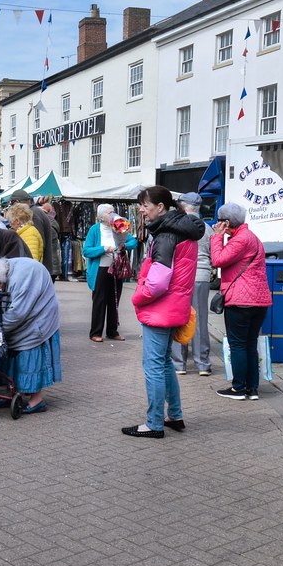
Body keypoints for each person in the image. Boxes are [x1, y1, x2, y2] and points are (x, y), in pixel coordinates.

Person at [124, 185, 205, 439]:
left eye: (145, 205)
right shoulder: (184, 231)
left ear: (160, 207)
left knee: (154, 366)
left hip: (161, 310)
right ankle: (175, 415)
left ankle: (154, 423)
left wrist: (138, 297)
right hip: (175, 307)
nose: (141, 210)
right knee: (165, 363)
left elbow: (158, 282)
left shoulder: (166, 235)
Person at [0, 256, 61, 414]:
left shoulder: (23, 278)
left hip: (40, 314)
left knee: (29, 349)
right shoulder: (0, 273)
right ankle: (10, 395)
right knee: (8, 348)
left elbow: (18, 314)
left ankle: (37, 401)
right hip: (22, 310)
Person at [210, 202, 272, 401]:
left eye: (219, 221)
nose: (216, 224)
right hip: (259, 301)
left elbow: (218, 260)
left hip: (241, 300)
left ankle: (238, 388)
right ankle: (252, 389)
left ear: (226, 222)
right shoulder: (252, 237)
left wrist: (217, 237)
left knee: (238, 345)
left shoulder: (240, 240)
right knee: (250, 344)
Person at [82, 203, 138, 343]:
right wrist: (103, 249)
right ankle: (95, 332)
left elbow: (133, 242)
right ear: (101, 216)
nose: (113, 214)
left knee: (114, 300)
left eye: (113, 211)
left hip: (116, 268)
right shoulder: (95, 230)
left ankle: (112, 331)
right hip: (100, 269)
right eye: (109, 212)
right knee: (99, 301)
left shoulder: (118, 227)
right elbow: (86, 250)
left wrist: (122, 246)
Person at [171, 193, 213, 375]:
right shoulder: (208, 228)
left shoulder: (177, 225)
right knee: (200, 319)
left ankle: (179, 363)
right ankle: (202, 364)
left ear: (182, 205)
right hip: (202, 276)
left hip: (181, 277)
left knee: (179, 317)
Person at [9, 190, 54, 276]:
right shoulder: (35, 212)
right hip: (43, 268)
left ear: (17, 202)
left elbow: (36, 246)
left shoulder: (32, 214)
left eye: (12, 203)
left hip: (40, 269)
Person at [41, 203, 62, 281]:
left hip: (50, 264)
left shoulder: (49, 227)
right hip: (52, 264)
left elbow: (46, 244)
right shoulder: (52, 224)